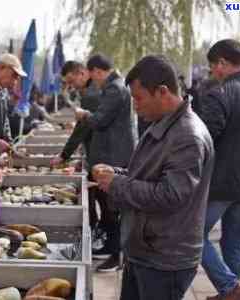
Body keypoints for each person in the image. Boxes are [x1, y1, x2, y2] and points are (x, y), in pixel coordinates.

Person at [92, 55, 214, 300]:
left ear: (162, 91)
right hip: (146, 249)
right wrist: (116, 173)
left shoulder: (187, 136)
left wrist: (117, 183)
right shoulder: (163, 123)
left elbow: (170, 195)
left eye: (138, 98)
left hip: (164, 258)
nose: (135, 105)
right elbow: (147, 175)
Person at [199, 39, 240, 300]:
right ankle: (231, 292)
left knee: (193, 235)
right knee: (233, 241)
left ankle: (229, 287)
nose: (213, 72)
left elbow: (206, 139)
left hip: (223, 182)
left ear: (223, 63)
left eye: (213, 66)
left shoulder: (221, 93)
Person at [74, 54, 137, 272]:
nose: (94, 81)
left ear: (98, 71)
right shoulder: (114, 86)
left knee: (114, 206)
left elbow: (100, 120)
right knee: (109, 205)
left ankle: (118, 255)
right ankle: (111, 246)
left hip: (115, 155)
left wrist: (83, 115)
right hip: (112, 152)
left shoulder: (114, 89)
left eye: (94, 76)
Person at [50, 61, 104, 244]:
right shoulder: (89, 91)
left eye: (72, 81)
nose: (71, 86)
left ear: (82, 73)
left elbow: (83, 128)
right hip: (97, 150)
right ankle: (101, 237)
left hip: (101, 152)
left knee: (106, 202)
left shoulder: (91, 94)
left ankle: (106, 243)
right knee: (101, 199)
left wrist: (64, 155)